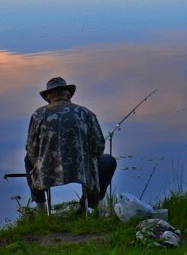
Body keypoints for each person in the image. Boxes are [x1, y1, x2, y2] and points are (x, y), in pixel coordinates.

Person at [25, 76, 118, 213]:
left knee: (28, 159)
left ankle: (41, 206)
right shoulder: (86, 113)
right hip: (83, 171)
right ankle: (88, 204)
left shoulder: (38, 115)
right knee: (109, 161)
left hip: (48, 173)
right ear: (68, 94)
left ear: (49, 97)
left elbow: (32, 150)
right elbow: (98, 149)